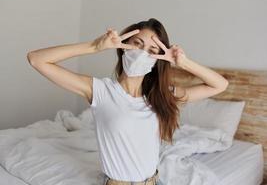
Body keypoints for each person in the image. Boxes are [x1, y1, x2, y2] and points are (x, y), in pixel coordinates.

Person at [27, 18, 229, 185]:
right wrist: (95, 46)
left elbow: (219, 85)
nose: (142, 53)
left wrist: (183, 62)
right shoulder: (100, 90)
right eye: (137, 43)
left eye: (151, 50)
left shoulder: (162, 95)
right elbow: (36, 59)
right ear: (124, 47)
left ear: (157, 59)